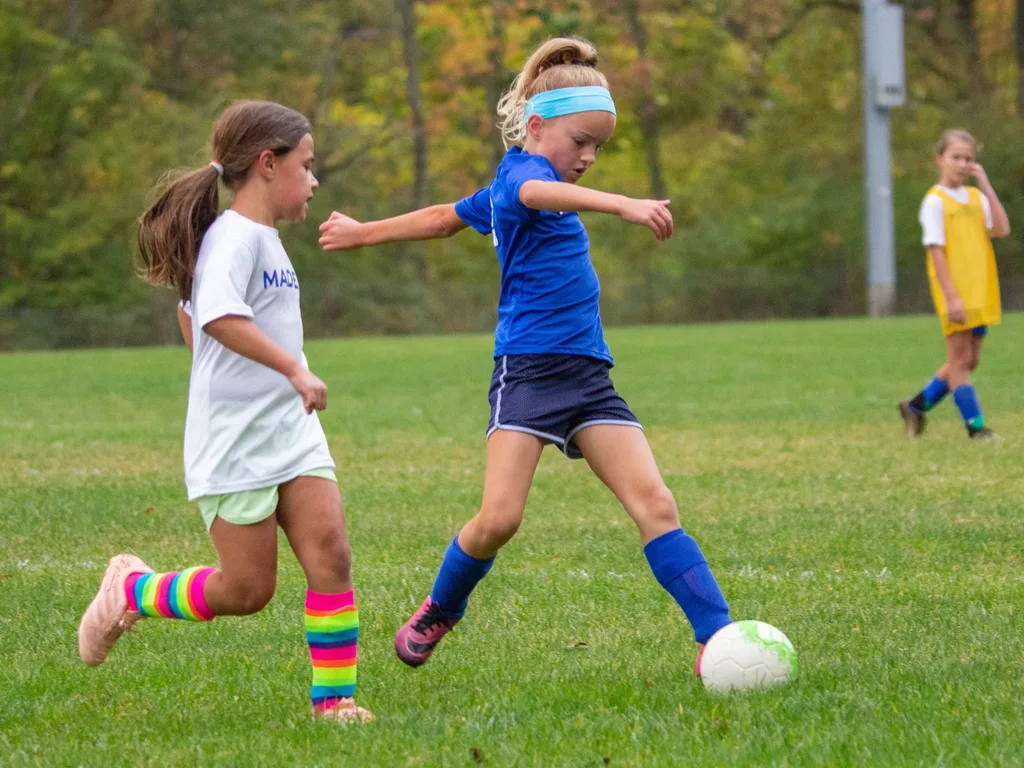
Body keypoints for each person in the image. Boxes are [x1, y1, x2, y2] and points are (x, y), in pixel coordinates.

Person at [319, 38, 733, 673]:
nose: (590, 157)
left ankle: (719, 635)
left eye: (600, 147)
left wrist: (364, 231)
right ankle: (441, 609)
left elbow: (442, 218)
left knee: (656, 505)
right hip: (529, 374)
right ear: (537, 127)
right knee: (499, 519)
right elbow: (538, 195)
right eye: (581, 141)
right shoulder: (521, 177)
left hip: (589, 378)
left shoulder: (522, 183)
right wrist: (622, 203)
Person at [78, 100, 372, 723]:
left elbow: (193, 309)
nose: (315, 181)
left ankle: (334, 703)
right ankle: (132, 589)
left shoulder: (256, 238)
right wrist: (291, 368)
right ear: (269, 164)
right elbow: (215, 314)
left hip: (291, 432)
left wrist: (239, 369)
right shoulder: (235, 236)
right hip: (235, 443)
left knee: (332, 553)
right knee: (245, 591)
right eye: (307, 165)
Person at [899, 129, 1010, 439]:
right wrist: (952, 298)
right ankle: (976, 429)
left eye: (969, 159)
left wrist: (985, 186)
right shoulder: (934, 202)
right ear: (940, 160)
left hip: (981, 287)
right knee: (959, 360)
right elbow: (936, 251)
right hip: (955, 290)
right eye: (956, 157)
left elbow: (1001, 229)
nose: (962, 164)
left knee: (969, 360)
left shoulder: (975, 197)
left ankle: (916, 407)